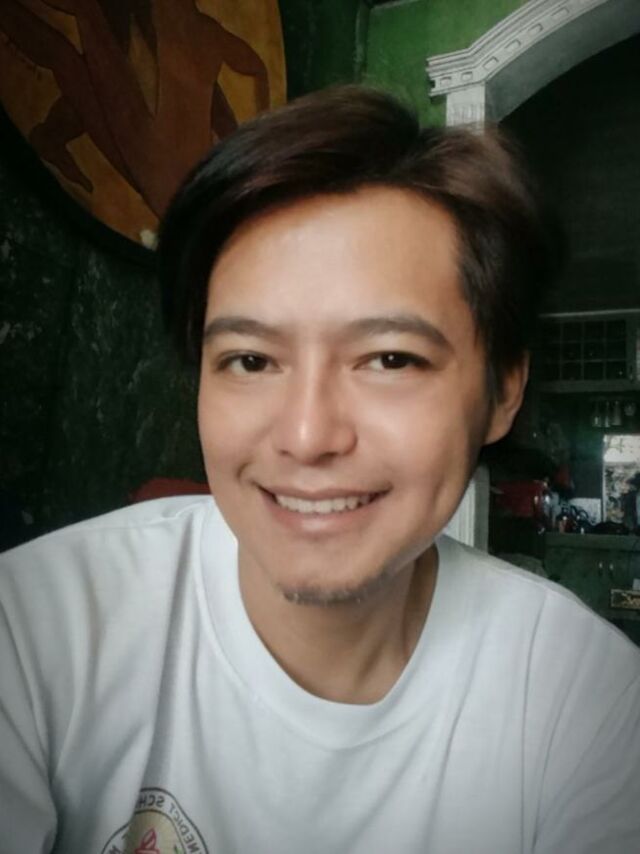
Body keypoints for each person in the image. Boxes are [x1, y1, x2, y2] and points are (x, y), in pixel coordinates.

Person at [0, 86, 638, 854]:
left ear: (502, 392)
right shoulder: (32, 632)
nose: (306, 437)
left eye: (390, 359)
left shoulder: (589, 702)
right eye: (250, 360)